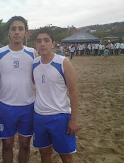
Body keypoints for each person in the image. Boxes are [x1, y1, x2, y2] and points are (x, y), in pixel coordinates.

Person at [0, 16, 38, 163]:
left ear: (26, 33)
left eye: (20, 29)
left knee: (25, 145)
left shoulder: (33, 53)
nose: (17, 32)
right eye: (13, 29)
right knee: (7, 145)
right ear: (8, 32)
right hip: (6, 106)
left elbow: (35, 79)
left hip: (28, 106)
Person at [33, 27, 79, 163]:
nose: (42, 44)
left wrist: (73, 119)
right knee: (44, 154)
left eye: (46, 40)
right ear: (36, 45)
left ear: (53, 44)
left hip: (60, 116)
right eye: (39, 41)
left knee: (66, 156)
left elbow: (73, 92)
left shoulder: (63, 62)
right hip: (39, 116)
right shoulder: (34, 63)